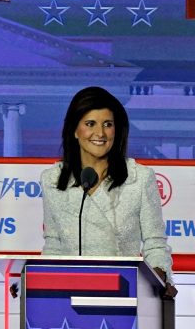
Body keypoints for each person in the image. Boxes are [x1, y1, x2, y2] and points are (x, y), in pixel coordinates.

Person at [40, 86, 177, 301]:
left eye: (108, 124)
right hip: (69, 295)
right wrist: (39, 284)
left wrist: (159, 276)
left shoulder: (139, 178)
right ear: (75, 130)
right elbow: (53, 244)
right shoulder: (53, 180)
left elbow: (155, 243)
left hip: (124, 294)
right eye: (90, 124)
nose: (100, 133)